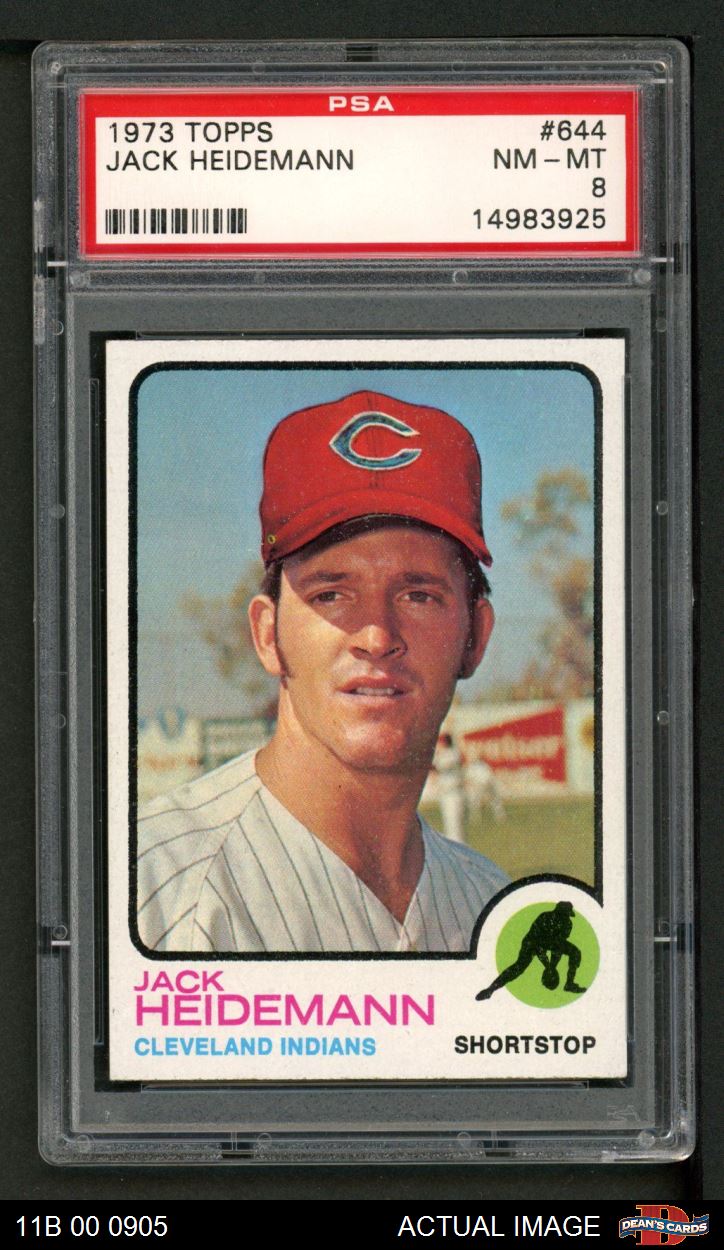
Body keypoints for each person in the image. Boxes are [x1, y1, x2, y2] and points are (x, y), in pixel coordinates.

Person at [137, 390, 509, 954]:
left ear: (475, 636)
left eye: (419, 595)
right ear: (268, 634)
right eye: (330, 593)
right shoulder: (152, 894)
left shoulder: (495, 907)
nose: (376, 637)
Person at [475, 901, 585, 999]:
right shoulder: (544, 917)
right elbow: (536, 943)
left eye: (567, 915)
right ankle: (491, 989)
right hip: (532, 941)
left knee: (575, 952)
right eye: (564, 914)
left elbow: (559, 946)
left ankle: (569, 984)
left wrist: (552, 967)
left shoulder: (567, 924)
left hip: (550, 942)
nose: (565, 917)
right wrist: (547, 965)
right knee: (519, 966)